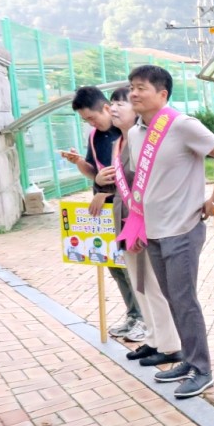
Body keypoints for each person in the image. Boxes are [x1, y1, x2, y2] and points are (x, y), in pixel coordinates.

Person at [120, 65, 214, 399]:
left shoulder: (182, 125)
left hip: (182, 228)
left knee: (184, 299)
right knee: (172, 298)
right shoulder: (135, 133)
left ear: (162, 94)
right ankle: (187, 358)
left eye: (141, 88)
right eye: (132, 87)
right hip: (152, 230)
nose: (133, 94)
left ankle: (202, 369)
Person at [107, 88, 184, 370]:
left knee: (153, 286)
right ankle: (153, 338)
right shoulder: (121, 142)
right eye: (111, 103)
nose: (113, 108)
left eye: (120, 103)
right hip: (126, 223)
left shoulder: (148, 139)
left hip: (148, 223)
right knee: (139, 285)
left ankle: (170, 345)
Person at [64, 86, 145, 341]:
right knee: (114, 264)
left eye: (92, 117)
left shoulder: (128, 133)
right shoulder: (94, 137)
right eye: (85, 120)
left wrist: (103, 191)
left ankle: (144, 319)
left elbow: (131, 176)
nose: (91, 123)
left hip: (126, 209)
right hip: (105, 212)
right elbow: (96, 172)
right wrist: (80, 164)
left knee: (133, 264)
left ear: (106, 108)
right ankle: (133, 314)